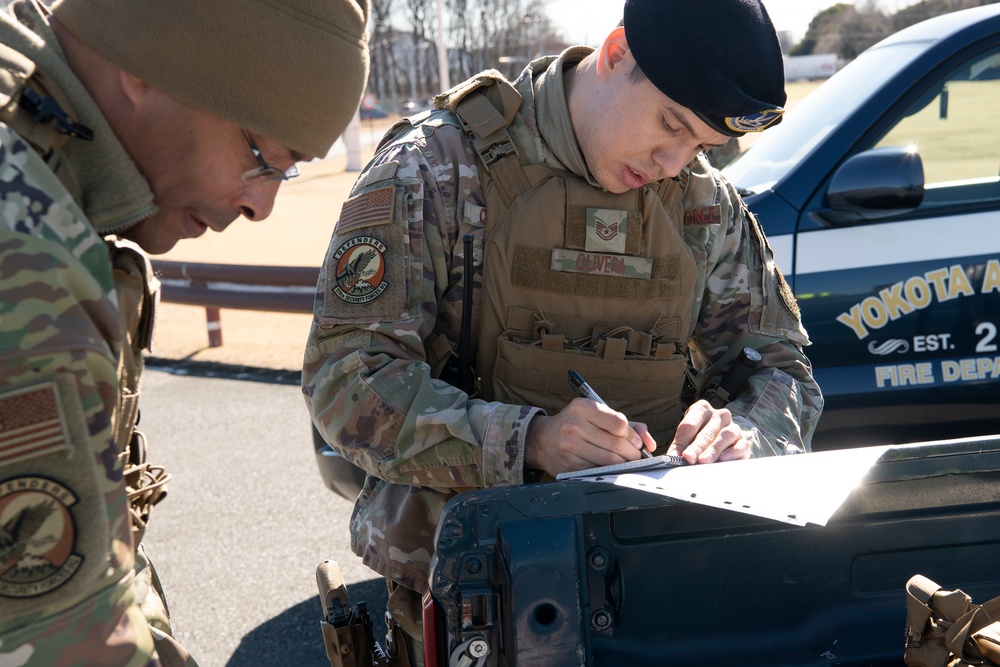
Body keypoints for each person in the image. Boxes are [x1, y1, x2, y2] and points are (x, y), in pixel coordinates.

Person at [303, 0, 823, 661]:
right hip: (470, 603)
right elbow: (348, 382)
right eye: (670, 124)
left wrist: (747, 431)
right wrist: (530, 440)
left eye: (699, 144)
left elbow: (785, 376)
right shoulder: (435, 169)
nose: (673, 161)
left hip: (660, 599)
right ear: (614, 54)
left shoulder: (703, 208)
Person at [0, 0, 368, 664]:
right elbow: (66, 647)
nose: (262, 205)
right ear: (149, 67)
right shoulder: (25, 264)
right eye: (263, 157)